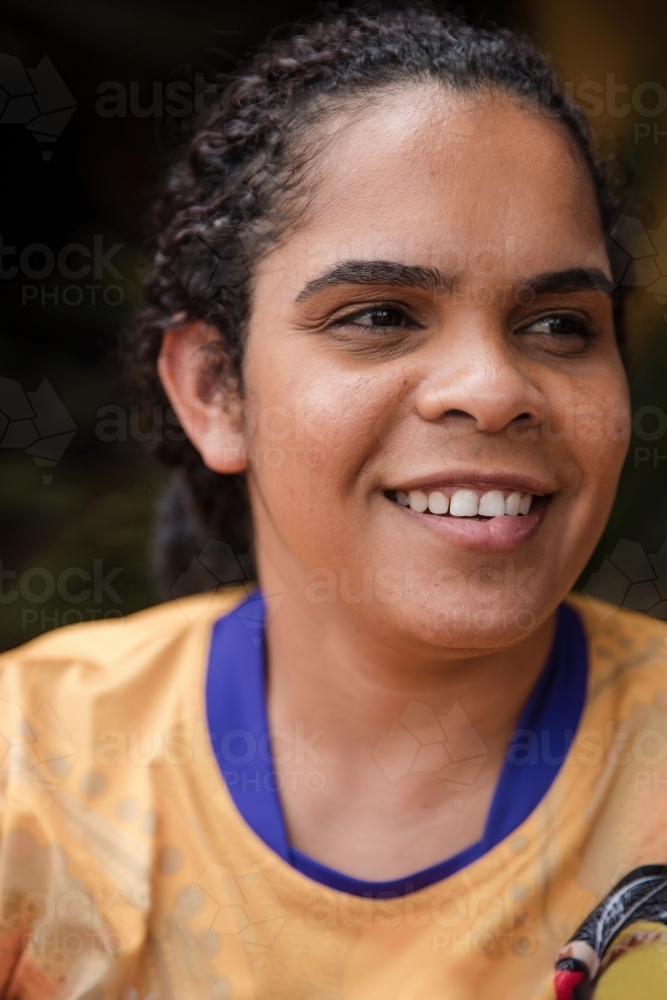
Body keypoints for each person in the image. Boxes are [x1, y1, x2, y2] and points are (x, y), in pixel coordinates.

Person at [1, 4, 666, 997]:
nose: (492, 387)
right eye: (381, 315)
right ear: (215, 389)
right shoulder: (32, 776)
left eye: (561, 325)